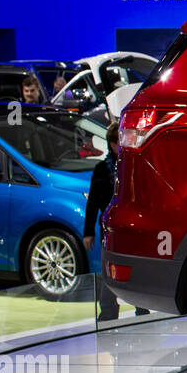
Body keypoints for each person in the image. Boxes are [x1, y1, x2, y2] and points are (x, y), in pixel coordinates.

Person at [84, 123, 148, 321]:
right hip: (110, 228)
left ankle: (142, 307)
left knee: (137, 268)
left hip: (133, 227)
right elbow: (93, 201)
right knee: (108, 270)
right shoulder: (102, 169)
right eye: (119, 141)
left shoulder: (136, 165)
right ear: (111, 144)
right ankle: (108, 310)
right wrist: (88, 232)